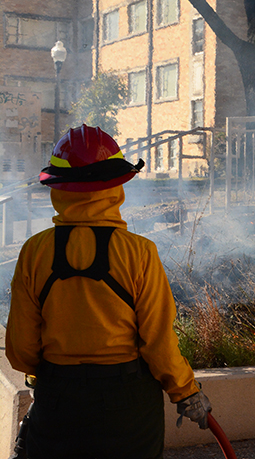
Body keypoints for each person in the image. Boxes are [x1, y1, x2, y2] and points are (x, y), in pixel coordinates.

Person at [5, 125, 211, 459]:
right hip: (127, 411)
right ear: (115, 186)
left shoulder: (34, 252)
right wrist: (186, 393)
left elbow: (21, 352)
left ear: (60, 188)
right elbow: (158, 343)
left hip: (57, 405)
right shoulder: (140, 253)